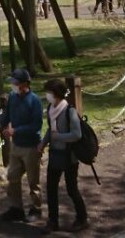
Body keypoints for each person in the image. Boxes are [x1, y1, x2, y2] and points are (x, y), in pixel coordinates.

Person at [38, 79, 88, 233]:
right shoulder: (51, 108)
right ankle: (53, 221)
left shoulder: (69, 111)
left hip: (69, 157)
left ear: (56, 94)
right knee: (51, 188)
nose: (47, 95)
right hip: (55, 155)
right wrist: (43, 144)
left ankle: (82, 218)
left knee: (71, 189)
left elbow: (76, 134)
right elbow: (50, 130)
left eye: (49, 92)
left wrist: (58, 137)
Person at [0, 68, 43, 222]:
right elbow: (7, 115)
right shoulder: (12, 97)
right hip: (16, 146)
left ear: (25, 84)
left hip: (31, 146)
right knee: (12, 177)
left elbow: (36, 126)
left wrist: (15, 131)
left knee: (33, 181)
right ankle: (16, 208)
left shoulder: (35, 100)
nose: (13, 85)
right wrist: (1, 126)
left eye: (16, 83)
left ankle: (36, 209)